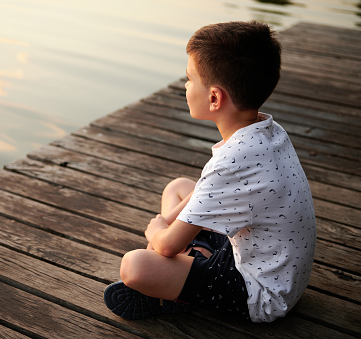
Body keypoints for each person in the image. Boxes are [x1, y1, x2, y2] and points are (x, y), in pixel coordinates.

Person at [103, 21, 316, 323]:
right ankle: (193, 260)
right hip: (267, 261)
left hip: (262, 292)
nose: (185, 86)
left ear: (214, 98)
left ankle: (174, 293)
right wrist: (167, 224)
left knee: (135, 266)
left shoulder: (234, 160)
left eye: (190, 79)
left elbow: (165, 245)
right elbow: (202, 190)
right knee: (177, 187)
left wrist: (156, 230)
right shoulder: (267, 130)